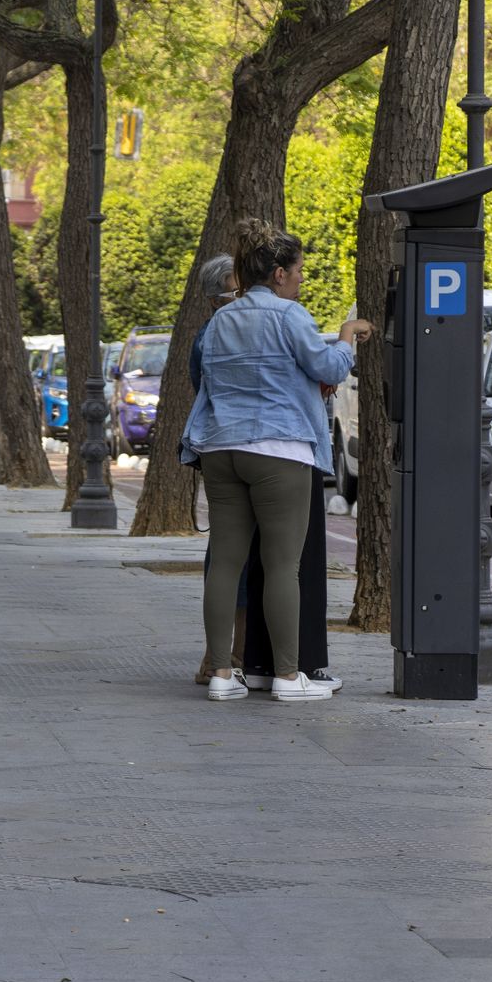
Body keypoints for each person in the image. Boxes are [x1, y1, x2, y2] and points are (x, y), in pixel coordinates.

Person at [182, 218, 371, 703]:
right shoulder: (290, 316)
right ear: (280, 274)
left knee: (225, 562)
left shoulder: (221, 320)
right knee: (282, 565)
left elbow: (206, 375)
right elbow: (328, 366)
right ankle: (289, 676)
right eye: (299, 269)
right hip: (278, 449)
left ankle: (222, 673)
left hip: (221, 448)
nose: (303, 277)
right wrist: (348, 335)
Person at [187, 254, 247, 686]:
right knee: (236, 557)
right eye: (238, 288)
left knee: (228, 555)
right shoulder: (223, 335)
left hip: (218, 448)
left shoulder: (212, 334)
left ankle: (221, 657)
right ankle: (227, 656)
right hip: (241, 450)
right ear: (218, 299)